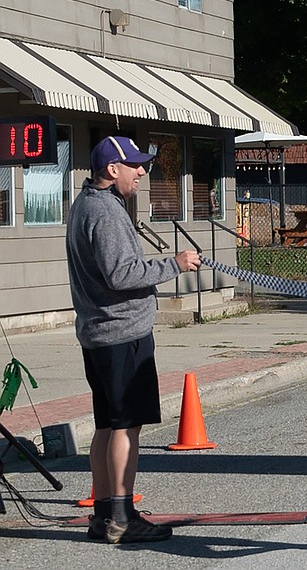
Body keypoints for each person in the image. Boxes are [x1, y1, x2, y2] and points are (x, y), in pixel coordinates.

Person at [65, 135, 202, 544]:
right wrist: (174, 265)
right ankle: (123, 518)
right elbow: (122, 274)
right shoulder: (106, 212)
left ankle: (104, 514)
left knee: (107, 425)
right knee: (126, 427)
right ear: (113, 169)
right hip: (121, 334)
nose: (142, 171)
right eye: (135, 165)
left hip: (99, 333)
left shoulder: (85, 204)